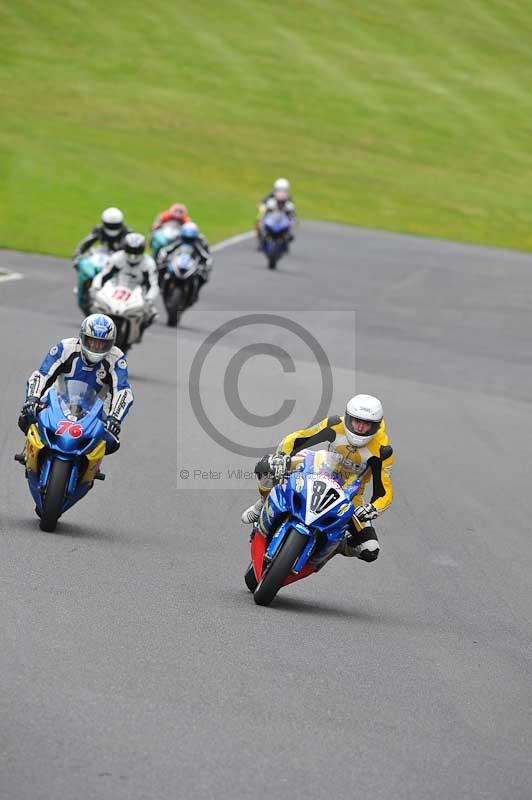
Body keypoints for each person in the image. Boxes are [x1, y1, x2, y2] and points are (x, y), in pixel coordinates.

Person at [241, 394, 394, 563]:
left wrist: (372, 508)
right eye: (356, 421)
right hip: (317, 469)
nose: (360, 427)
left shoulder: (382, 450)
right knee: (267, 466)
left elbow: (384, 492)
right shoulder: (335, 424)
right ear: (348, 418)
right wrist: (281, 457)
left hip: (350, 494)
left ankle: (337, 546)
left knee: (370, 549)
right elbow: (297, 438)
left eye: (367, 424)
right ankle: (262, 504)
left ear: (376, 426)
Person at [18, 314, 133, 455]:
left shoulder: (117, 358)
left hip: (97, 407)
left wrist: (114, 418)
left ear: (111, 343)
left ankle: (89, 463)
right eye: (92, 342)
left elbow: (123, 391)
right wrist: (33, 398)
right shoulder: (65, 348)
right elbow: (42, 375)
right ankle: (30, 450)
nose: (96, 347)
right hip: (58, 398)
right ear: (82, 337)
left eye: (102, 344)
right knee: (26, 416)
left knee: (111, 440)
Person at [93, 232, 159, 334]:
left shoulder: (149, 263)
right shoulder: (116, 257)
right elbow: (103, 275)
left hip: (138, 292)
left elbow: (153, 284)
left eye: (136, 251)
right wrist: (96, 288)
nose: (133, 255)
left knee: (152, 315)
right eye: (131, 250)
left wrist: (149, 299)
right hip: (116, 289)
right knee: (96, 305)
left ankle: (138, 330)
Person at [157, 221, 213, 296]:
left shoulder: (199, 242)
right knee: (161, 268)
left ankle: (195, 292)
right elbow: (166, 249)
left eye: (190, 238)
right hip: (177, 261)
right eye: (186, 238)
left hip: (192, 264)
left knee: (202, 277)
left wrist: (206, 266)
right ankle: (161, 285)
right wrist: (162, 259)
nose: (188, 240)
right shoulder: (177, 239)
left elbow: (205, 255)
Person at [256, 178, 296, 245]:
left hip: (283, 216)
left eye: (284, 190)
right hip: (272, 214)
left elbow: (292, 210)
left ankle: (287, 236)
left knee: (292, 222)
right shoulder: (271, 195)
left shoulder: (289, 198)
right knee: (259, 219)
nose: (281, 193)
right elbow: (262, 202)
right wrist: (261, 206)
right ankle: (261, 236)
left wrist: (292, 217)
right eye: (279, 190)